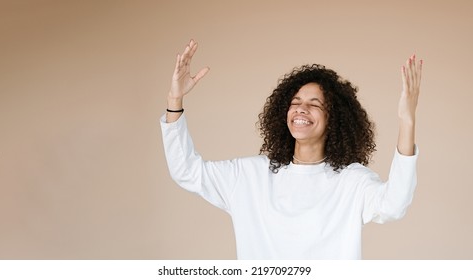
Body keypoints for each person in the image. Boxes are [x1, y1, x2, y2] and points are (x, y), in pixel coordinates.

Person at [160, 39, 422, 259]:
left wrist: (406, 121)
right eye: (295, 102)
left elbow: (394, 204)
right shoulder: (250, 176)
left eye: (315, 104)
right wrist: (174, 101)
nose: (301, 109)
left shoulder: (351, 181)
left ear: (335, 118)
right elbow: (186, 171)